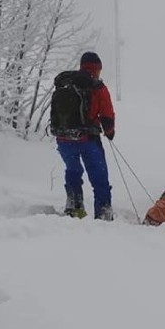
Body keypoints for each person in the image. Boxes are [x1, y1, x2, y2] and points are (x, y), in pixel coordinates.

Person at [50, 51, 116, 220]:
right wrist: (110, 132)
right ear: (96, 69)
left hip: (64, 139)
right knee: (99, 177)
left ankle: (74, 207)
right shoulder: (98, 87)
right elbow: (107, 116)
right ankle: (103, 213)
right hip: (88, 140)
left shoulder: (67, 83)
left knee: (73, 170)